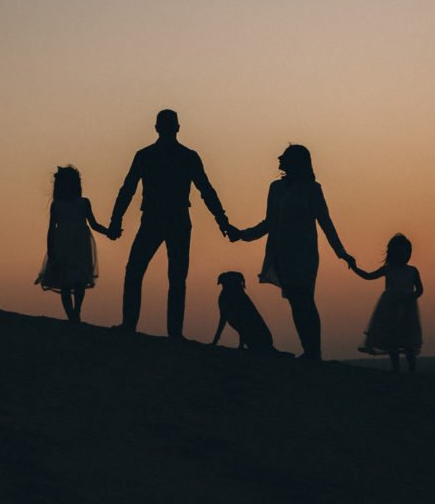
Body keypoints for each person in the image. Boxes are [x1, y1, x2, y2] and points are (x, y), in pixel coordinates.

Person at [107, 109, 232, 339]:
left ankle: (133, 325)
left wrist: (116, 220)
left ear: (157, 128)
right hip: (173, 219)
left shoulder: (147, 155)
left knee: (138, 271)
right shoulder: (186, 156)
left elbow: (127, 190)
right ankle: (172, 332)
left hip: (158, 219)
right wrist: (222, 221)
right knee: (173, 277)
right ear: (177, 128)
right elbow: (206, 191)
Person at [229, 144, 354, 361]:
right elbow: (269, 222)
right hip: (282, 254)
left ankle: (314, 351)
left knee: (305, 299)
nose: (280, 159)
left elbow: (325, 222)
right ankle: (310, 350)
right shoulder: (276, 188)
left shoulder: (312, 189)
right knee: (296, 302)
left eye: (285, 157)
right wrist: (243, 235)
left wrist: (341, 252)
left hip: (304, 253)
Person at [35, 166, 110, 323]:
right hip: (64, 244)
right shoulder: (58, 205)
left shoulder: (82, 203)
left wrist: (108, 232)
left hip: (78, 244)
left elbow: (94, 224)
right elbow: (51, 228)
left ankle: (75, 312)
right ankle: (73, 315)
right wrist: (50, 248)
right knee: (67, 281)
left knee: (78, 279)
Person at [351, 233, 424, 373]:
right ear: (393, 253)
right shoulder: (388, 269)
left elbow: (420, 290)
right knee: (392, 339)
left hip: (407, 309)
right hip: (389, 309)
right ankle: (396, 368)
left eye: (407, 252)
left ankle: (412, 369)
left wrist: (409, 298)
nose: (404, 255)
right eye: (401, 252)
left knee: (408, 340)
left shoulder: (413, 271)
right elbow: (368, 276)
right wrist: (354, 267)